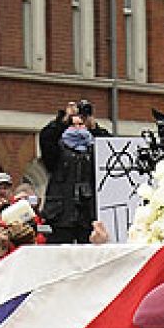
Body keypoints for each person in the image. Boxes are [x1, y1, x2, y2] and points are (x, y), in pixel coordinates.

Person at [39, 100, 108, 245]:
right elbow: (46, 137)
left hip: (87, 215)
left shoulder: (93, 147)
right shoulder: (57, 147)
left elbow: (110, 147)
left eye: (81, 124)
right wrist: (63, 120)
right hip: (61, 214)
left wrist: (94, 128)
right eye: (73, 124)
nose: (78, 129)